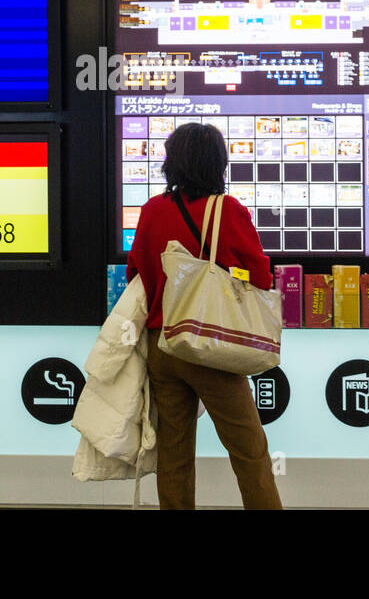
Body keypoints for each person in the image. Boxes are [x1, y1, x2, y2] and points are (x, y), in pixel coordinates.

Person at [126, 122, 282, 510]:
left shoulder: (152, 210)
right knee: (249, 450)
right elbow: (261, 275)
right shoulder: (227, 210)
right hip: (211, 345)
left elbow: (136, 274)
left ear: (172, 163)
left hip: (163, 345)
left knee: (174, 454)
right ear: (218, 163)